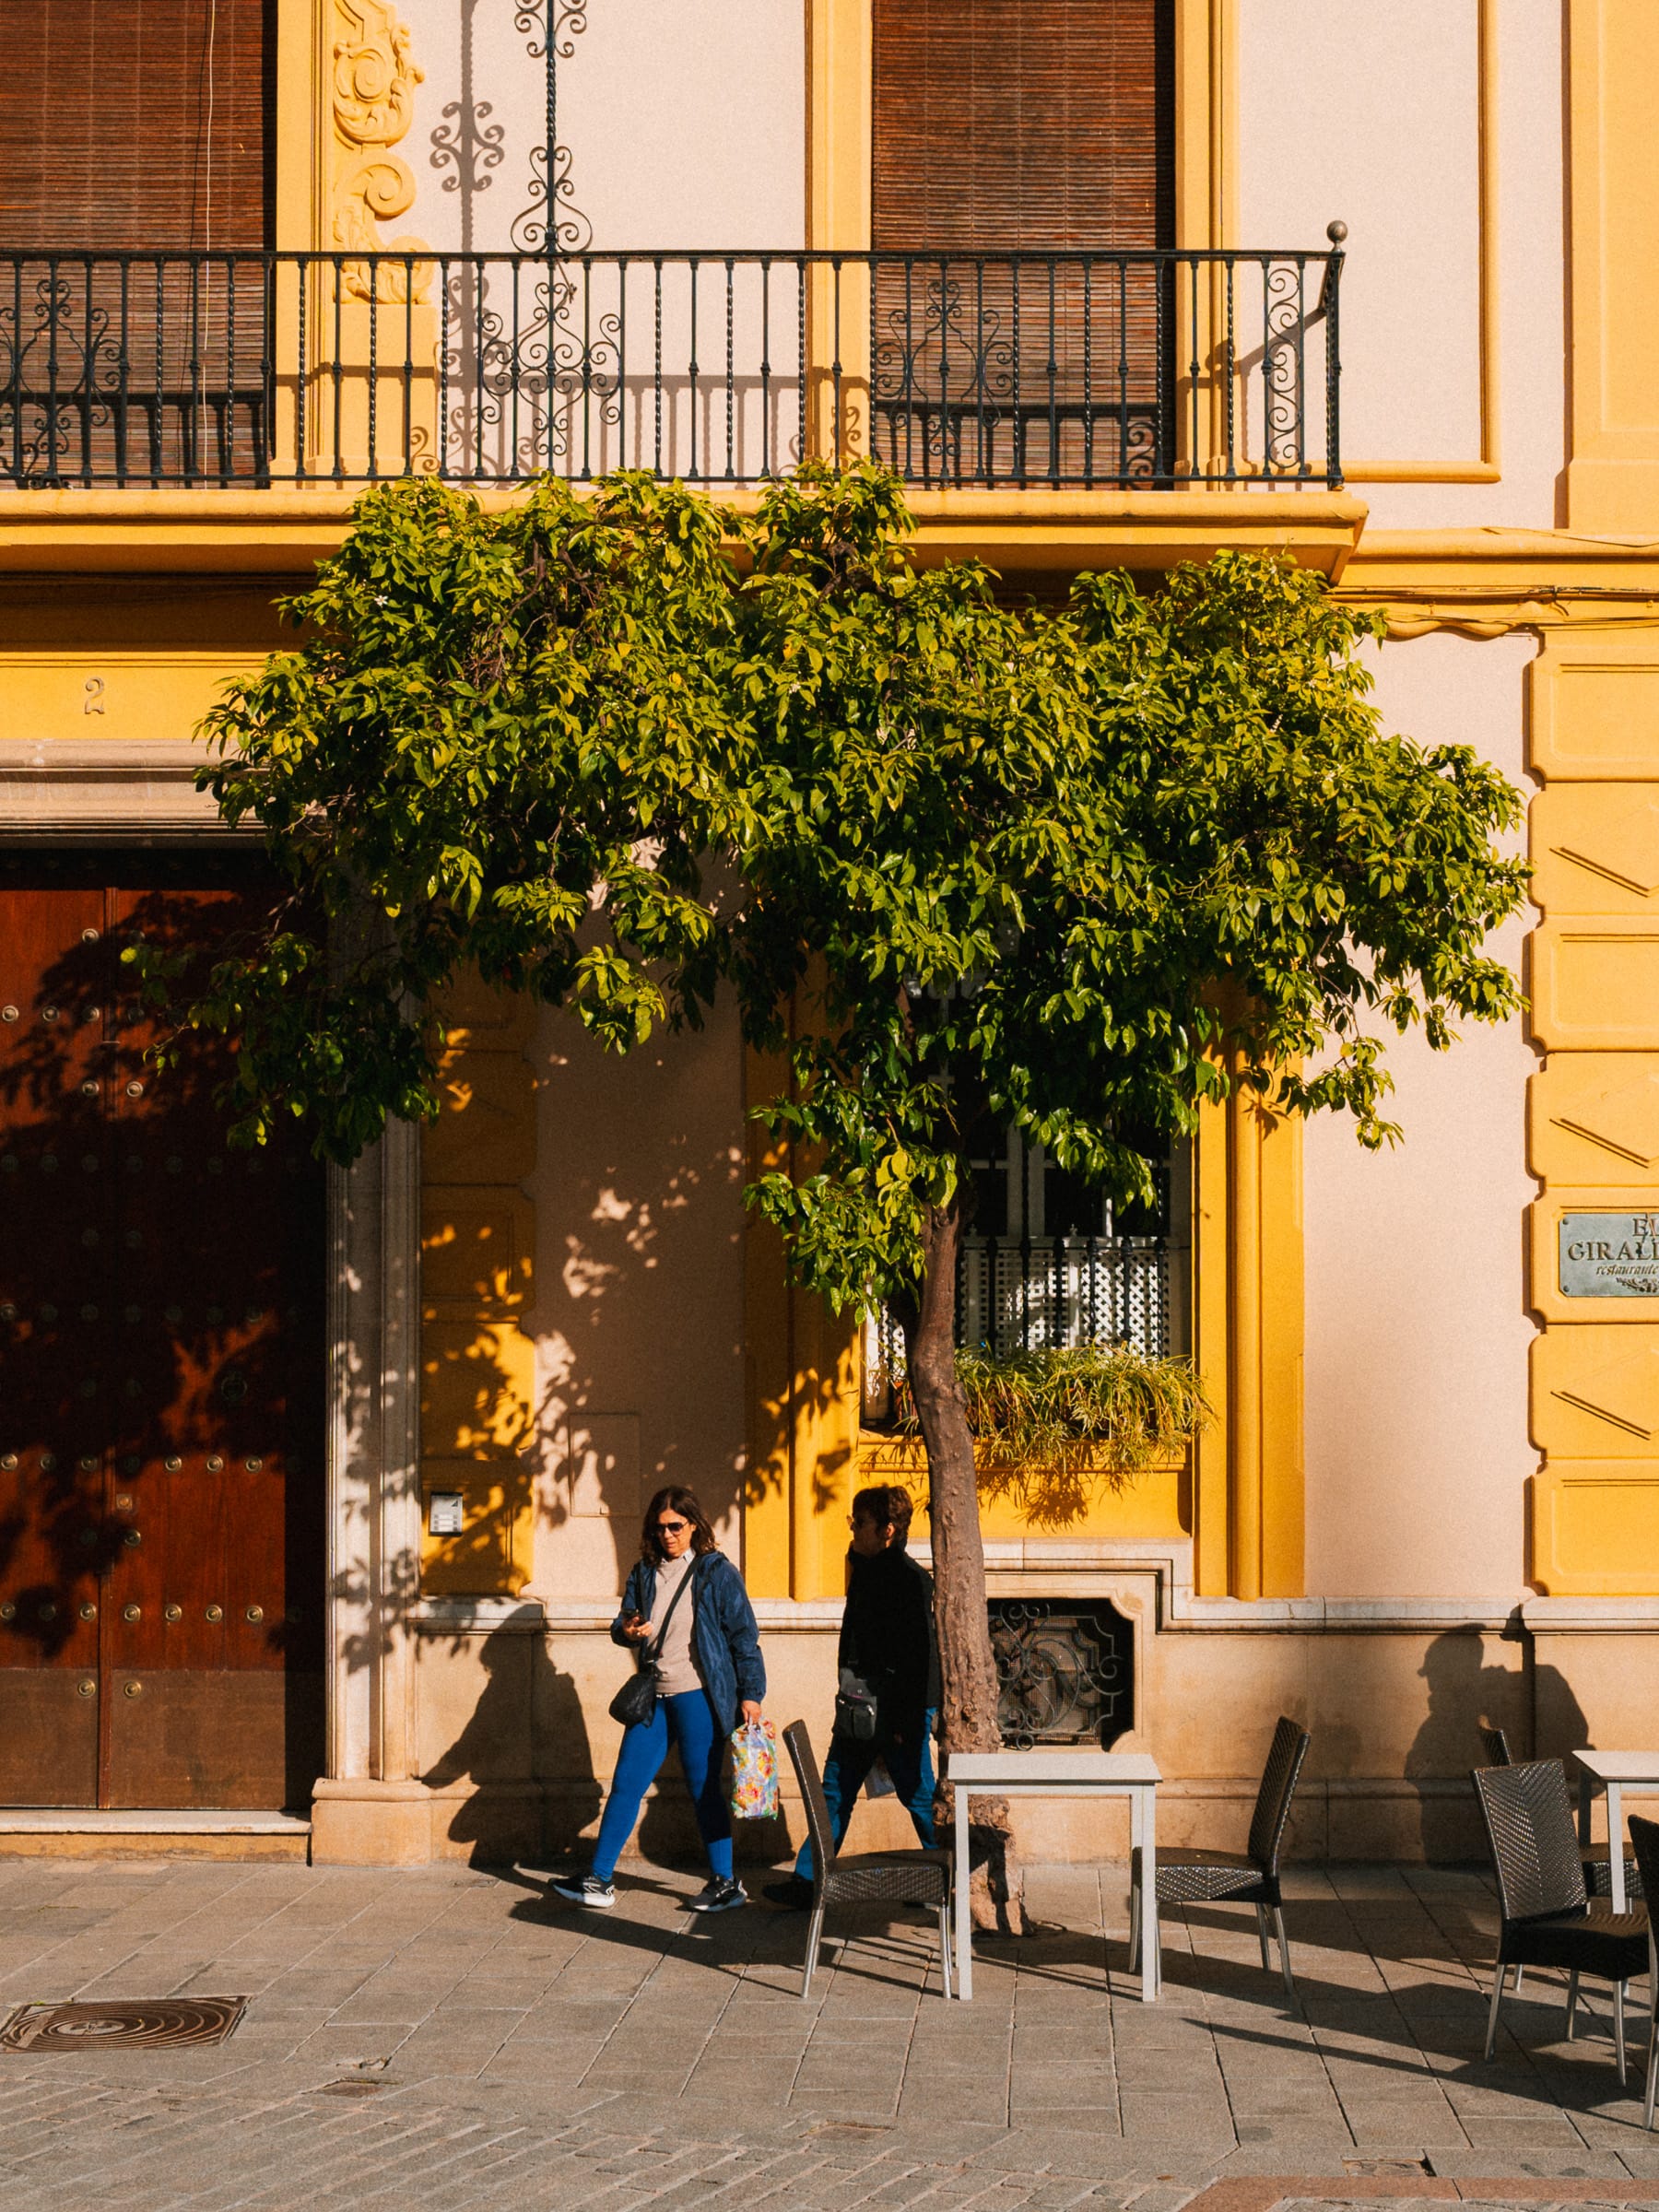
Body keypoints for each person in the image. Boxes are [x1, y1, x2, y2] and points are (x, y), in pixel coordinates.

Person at [552, 1484, 765, 1914]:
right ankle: (600, 1879)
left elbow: (744, 1637)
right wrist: (626, 1631)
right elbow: (622, 1622)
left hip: (699, 1697)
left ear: (693, 1525)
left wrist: (752, 1695)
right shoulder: (644, 1572)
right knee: (627, 1784)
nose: (668, 1535)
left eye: (676, 1526)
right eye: (660, 1527)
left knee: (705, 1789)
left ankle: (726, 1883)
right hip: (656, 1697)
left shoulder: (715, 1572)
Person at [764, 1483, 940, 1909]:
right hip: (861, 1707)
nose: (853, 1530)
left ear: (888, 1529)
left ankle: (946, 1875)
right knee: (835, 1791)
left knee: (917, 1796)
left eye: (860, 1523)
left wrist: (901, 1725)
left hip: (897, 1711)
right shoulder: (866, 1572)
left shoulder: (910, 1582)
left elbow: (918, 1660)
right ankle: (810, 1880)